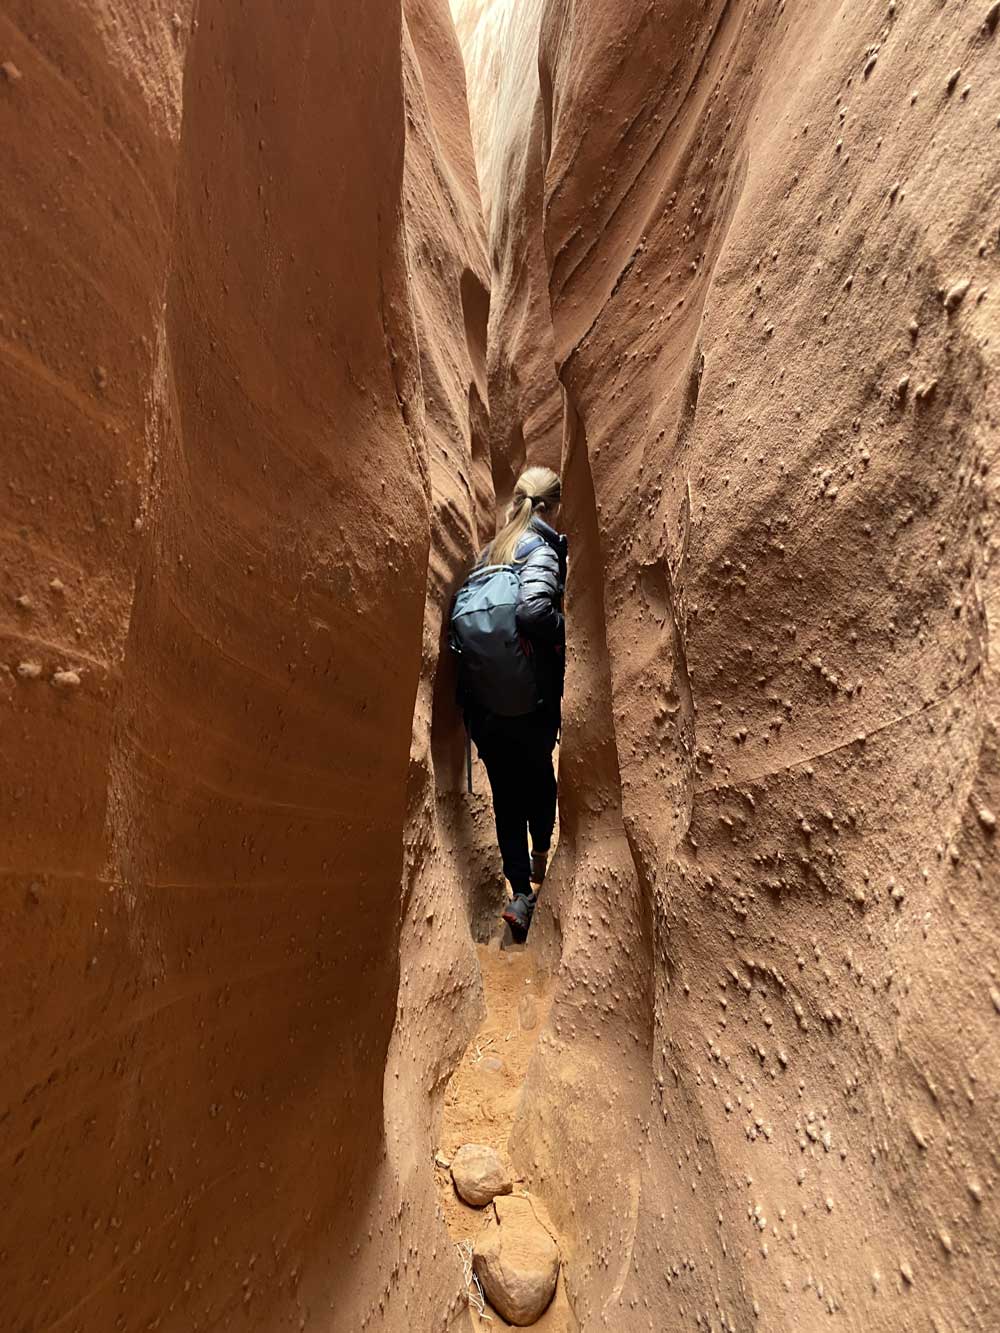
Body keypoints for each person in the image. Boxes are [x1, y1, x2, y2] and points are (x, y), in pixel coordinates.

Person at [462, 466, 567, 941]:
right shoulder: (540, 550)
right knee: (540, 777)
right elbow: (533, 610)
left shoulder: (489, 553)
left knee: (506, 794)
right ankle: (542, 855)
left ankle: (519, 894)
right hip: (531, 697)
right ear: (551, 507)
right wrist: (568, 637)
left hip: (487, 703)